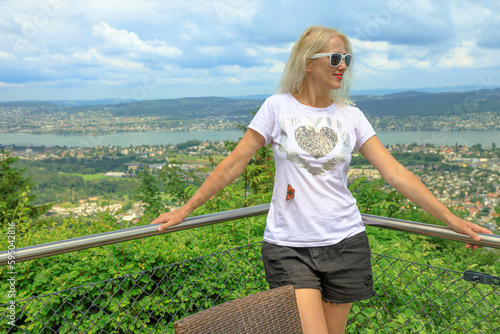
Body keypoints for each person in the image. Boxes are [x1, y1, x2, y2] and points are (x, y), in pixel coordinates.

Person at [151, 26, 493, 334]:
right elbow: (233, 165)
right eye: (335, 57)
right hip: (289, 245)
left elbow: (396, 173)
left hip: (345, 241)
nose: (343, 65)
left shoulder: (351, 116)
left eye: (347, 58)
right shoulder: (277, 108)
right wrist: (185, 210)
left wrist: (452, 220)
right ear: (308, 62)